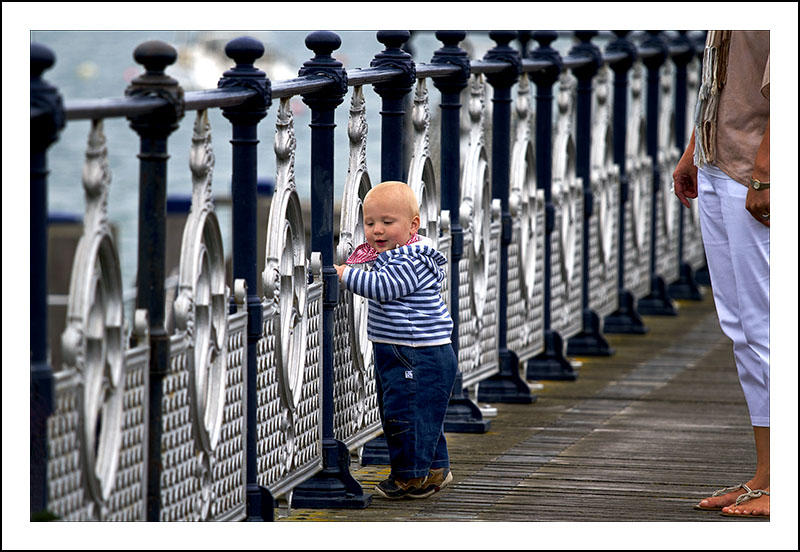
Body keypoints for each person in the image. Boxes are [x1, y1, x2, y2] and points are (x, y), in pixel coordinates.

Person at [673, 30, 770, 518]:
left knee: (769, 328)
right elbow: (719, 76)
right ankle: (766, 476)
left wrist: (767, 171)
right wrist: (696, 148)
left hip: (754, 168)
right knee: (741, 329)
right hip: (718, 162)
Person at [334, 180, 457, 499]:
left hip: (416, 352)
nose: (377, 230)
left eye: (387, 223)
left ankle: (410, 477)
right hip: (408, 349)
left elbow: (383, 288)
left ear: (413, 224)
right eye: (370, 223)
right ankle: (433, 470)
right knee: (424, 415)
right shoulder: (396, 254)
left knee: (405, 413)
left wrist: (344, 274)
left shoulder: (410, 258)